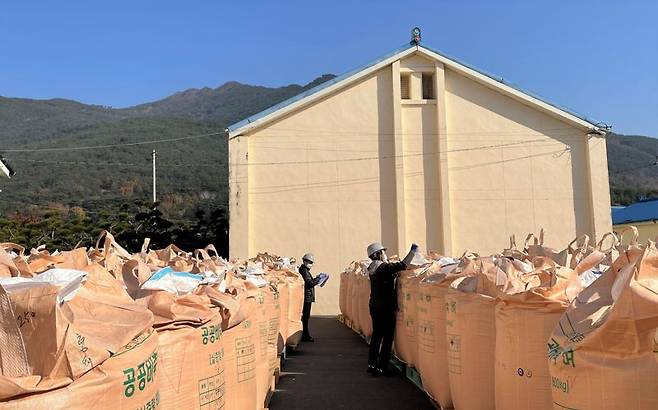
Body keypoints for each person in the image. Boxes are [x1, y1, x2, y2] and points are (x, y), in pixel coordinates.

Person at [366, 242, 418, 376]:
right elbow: (402, 266)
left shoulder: (372, 268)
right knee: (388, 336)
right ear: (377, 254)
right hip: (385, 307)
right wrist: (412, 252)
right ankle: (382, 366)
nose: (385, 254)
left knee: (377, 335)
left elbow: (388, 275)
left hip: (375, 306)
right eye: (382, 252)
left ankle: (372, 364)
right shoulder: (383, 267)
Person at [299, 252, 321, 342]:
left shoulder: (305, 271)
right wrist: (318, 279)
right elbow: (310, 283)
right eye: (309, 262)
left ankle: (305, 335)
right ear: (304, 261)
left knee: (305, 317)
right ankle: (305, 335)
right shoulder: (304, 271)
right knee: (305, 317)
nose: (310, 264)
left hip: (307, 296)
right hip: (306, 297)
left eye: (312, 262)